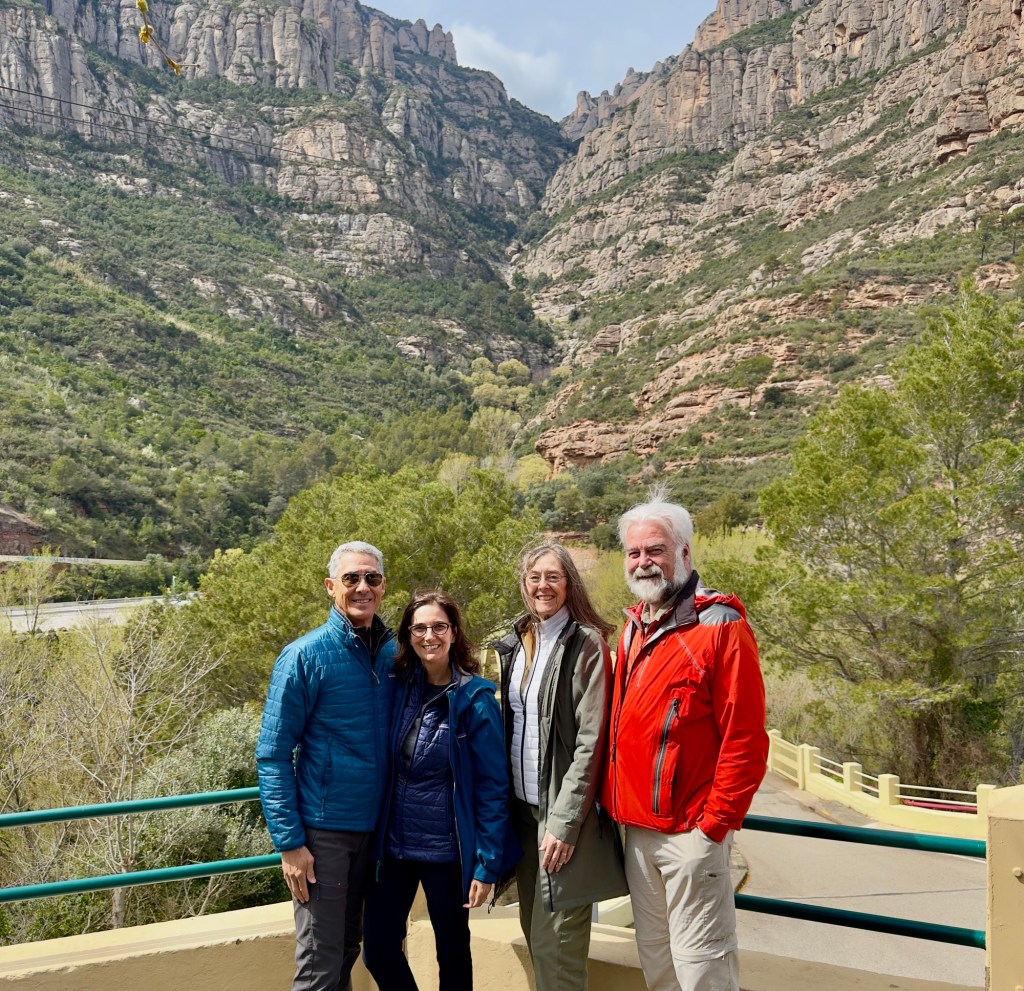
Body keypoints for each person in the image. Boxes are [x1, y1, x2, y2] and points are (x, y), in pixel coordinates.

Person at [602, 497, 768, 991]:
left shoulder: (719, 624)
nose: (643, 562)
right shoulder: (634, 626)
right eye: (633, 553)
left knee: (702, 970)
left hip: (691, 833)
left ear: (684, 552)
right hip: (637, 832)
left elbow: (745, 738)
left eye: (655, 550)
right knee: (658, 965)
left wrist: (713, 827)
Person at [256, 541, 396, 991]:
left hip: (378, 833)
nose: (362, 587)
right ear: (330, 586)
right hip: (324, 834)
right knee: (319, 963)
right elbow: (273, 754)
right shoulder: (304, 656)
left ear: (383, 586)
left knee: (349, 950)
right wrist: (290, 843)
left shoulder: (395, 653)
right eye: (351, 578)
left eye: (372, 578)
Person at [494, 542, 628, 991]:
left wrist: (565, 823)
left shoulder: (585, 644)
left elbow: (593, 741)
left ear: (570, 584)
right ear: (523, 583)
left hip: (562, 822)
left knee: (558, 952)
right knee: (537, 940)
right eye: (534, 577)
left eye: (553, 576)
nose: (543, 586)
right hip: (523, 816)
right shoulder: (519, 641)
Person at [363, 589, 510, 991]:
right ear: (408, 636)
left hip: (447, 850)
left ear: (454, 632)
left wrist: (487, 864)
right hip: (394, 845)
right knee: (378, 948)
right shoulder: (398, 689)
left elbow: (493, 788)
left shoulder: (476, 700)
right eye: (420, 628)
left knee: (453, 954)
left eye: (439, 627)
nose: (430, 636)